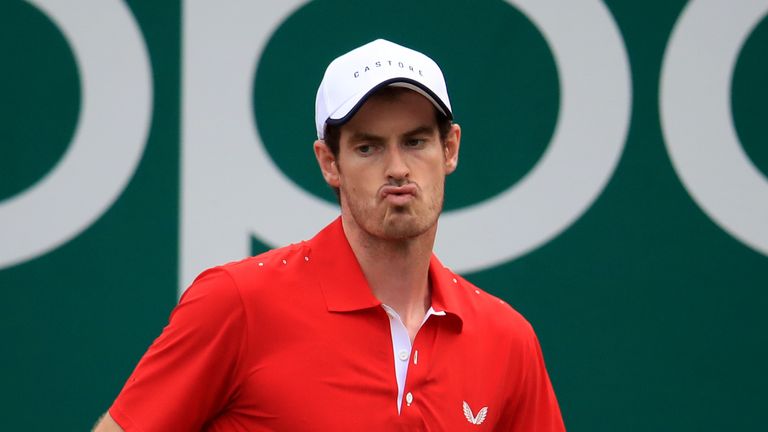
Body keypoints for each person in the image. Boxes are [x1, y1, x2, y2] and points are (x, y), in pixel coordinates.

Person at [94, 38, 565, 431]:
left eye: (415, 141)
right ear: (329, 163)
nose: (397, 168)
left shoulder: (507, 340)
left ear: (450, 148)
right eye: (368, 147)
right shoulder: (236, 303)